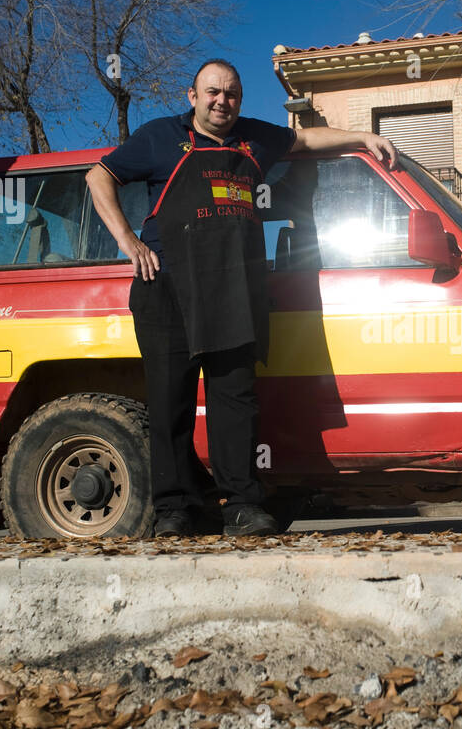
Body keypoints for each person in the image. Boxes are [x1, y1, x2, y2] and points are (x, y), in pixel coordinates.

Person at [86, 59, 397, 537]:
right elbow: (97, 177)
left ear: (240, 100)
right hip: (166, 291)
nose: (221, 101)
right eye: (212, 92)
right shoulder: (158, 137)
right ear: (192, 97)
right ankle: (174, 510)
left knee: (236, 404)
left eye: (231, 94)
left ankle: (242, 506)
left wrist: (362, 138)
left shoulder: (255, 139)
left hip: (235, 291)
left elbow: (308, 139)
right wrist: (128, 241)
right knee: (171, 406)